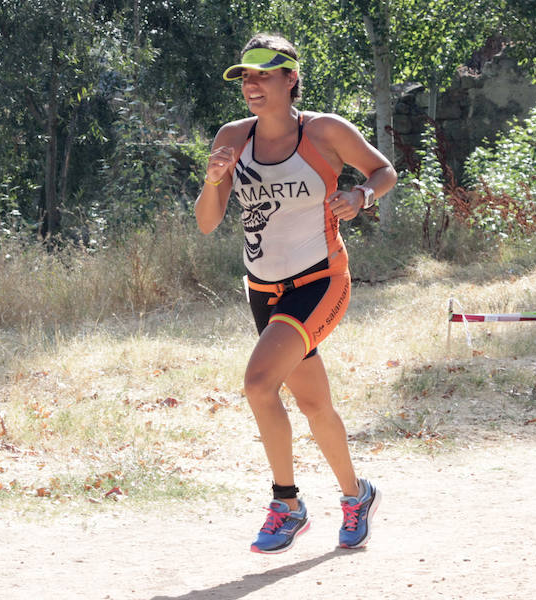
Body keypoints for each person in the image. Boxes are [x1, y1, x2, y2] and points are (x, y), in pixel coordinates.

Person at [194, 33, 397, 554]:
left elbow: (384, 171)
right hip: (262, 288)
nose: (252, 85)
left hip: (321, 280)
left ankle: (287, 504)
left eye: (263, 75)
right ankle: (357, 494)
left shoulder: (324, 130)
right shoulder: (232, 137)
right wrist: (214, 180)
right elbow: (207, 223)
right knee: (312, 403)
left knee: (260, 384)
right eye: (245, 77)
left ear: (290, 78)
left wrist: (361, 194)